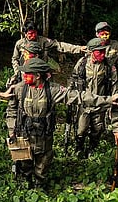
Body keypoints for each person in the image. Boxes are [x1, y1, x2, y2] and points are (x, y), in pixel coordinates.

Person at [5, 57, 74, 188]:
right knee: (25, 160)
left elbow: (77, 96)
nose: (24, 76)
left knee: (43, 160)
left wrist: (108, 100)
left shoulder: (52, 90)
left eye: (27, 73)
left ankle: (39, 184)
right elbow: (11, 110)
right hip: (24, 133)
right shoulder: (20, 88)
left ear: (37, 76)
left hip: (44, 133)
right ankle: (27, 182)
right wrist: (11, 130)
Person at [70, 38, 118, 157]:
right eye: (99, 52)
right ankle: (79, 148)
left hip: (100, 104)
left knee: (97, 129)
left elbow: (114, 83)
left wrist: (113, 99)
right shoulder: (82, 64)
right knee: (81, 129)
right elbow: (73, 79)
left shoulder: (108, 66)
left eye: (103, 51)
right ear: (91, 52)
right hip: (84, 104)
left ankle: (92, 148)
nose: (102, 54)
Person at [11, 20, 84, 82]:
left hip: (41, 74)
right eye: (30, 34)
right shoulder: (20, 44)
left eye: (35, 33)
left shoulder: (44, 41)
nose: (33, 36)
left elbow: (60, 45)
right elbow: (15, 59)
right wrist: (17, 72)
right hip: (25, 75)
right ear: (25, 33)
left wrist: (79, 49)